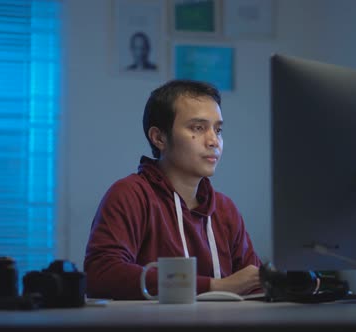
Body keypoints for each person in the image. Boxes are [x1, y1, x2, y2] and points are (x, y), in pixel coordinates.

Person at [84, 80, 262, 300]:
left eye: (218, 129)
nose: (214, 141)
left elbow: (253, 283)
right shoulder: (130, 194)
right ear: (159, 138)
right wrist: (215, 286)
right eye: (198, 128)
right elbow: (101, 274)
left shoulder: (225, 209)